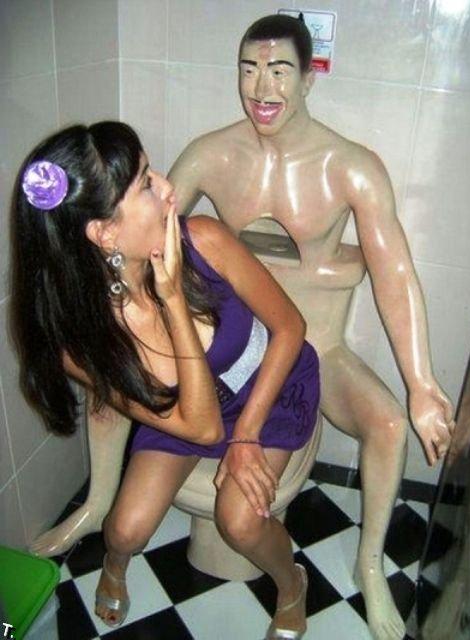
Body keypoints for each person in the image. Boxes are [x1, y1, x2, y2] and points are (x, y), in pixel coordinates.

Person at [29, 14, 455, 640]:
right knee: (125, 512)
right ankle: (105, 525)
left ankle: (347, 569)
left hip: (289, 355)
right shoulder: (210, 155)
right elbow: (126, 248)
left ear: (308, 78)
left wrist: (421, 384)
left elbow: (390, 271)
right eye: (249, 68)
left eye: (279, 70)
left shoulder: (348, 167)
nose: (261, 87)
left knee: (351, 447)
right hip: (197, 380)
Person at [11, 120, 320, 638]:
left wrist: (247, 434)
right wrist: (173, 299)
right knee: (124, 530)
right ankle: (115, 565)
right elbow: (200, 428)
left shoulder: (204, 239)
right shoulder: (83, 344)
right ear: (105, 233)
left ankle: (293, 585)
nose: (169, 187)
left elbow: (291, 327)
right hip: (187, 414)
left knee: (240, 521)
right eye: (146, 184)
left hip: (270, 384)